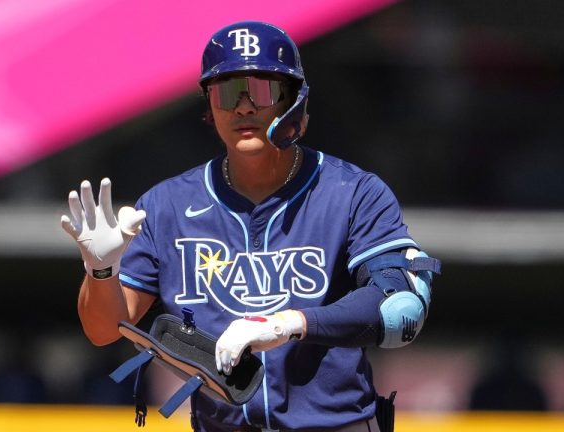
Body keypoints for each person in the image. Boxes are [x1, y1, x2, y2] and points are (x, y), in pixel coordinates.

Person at [61, 21, 439, 432]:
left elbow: (401, 310)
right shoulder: (167, 206)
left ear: (293, 102)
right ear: (209, 105)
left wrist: (287, 324)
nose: (243, 107)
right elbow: (102, 331)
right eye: (226, 91)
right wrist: (101, 271)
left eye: (260, 89)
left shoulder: (352, 192)